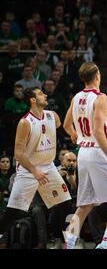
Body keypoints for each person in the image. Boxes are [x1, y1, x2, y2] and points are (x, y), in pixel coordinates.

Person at [63, 62, 107, 249]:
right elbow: (99, 132)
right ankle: (105, 244)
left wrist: (76, 136)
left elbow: (67, 125)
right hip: (99, 151)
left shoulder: (76, 98)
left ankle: (69, 242)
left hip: (83, 152)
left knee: (85, 204)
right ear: (97, 75)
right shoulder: (101, 98)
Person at [0, 88, 72, 248]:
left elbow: (64, 125)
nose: (45, 95)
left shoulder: (52, 116)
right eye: (40, 94)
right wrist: (34, 170)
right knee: (13, 211)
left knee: (67, 205)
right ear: (32, 100)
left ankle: (71, 242)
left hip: (49, 167)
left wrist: (73, 132)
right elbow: (18, 153)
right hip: (28, 170)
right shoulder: (25, 123)